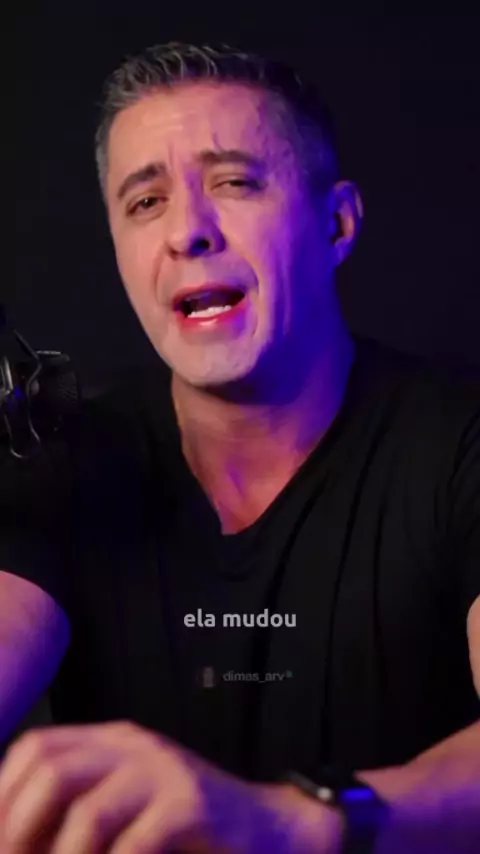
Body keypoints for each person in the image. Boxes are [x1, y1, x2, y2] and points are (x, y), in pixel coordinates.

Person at [0, 40, 478, 853]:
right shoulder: (66, 462)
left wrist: (293, 822)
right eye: (145, 202)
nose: (187, 232)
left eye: (233, 183)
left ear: (336, 223)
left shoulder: (459, 442)